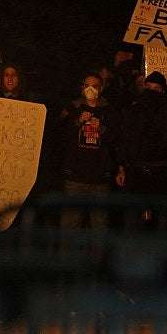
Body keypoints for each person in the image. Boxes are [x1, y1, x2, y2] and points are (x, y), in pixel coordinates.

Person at [116, 47, 167, 229]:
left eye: (154, 88)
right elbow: (125, 136)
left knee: (147, 214)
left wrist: (122, 167)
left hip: (153, 168)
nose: (151, 92)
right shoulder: (141, 108)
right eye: (149, 87)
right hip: (147, 168)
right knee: (152, 214)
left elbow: (125, 137)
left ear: (160, 90)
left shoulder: (154, 107)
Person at [57, 72, 120, 231]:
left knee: (99, 226)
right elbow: (59, 134)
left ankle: (96, 256)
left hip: (100, 178)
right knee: (70, 225)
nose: (90, 89)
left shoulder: (110, 110)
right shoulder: (72, 107)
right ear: (82, 87)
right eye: (87, 85)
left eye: (95, 86)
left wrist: (102, 128)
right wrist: (78, 121)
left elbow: (117, 140)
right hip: (75, 177)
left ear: (102, 88)